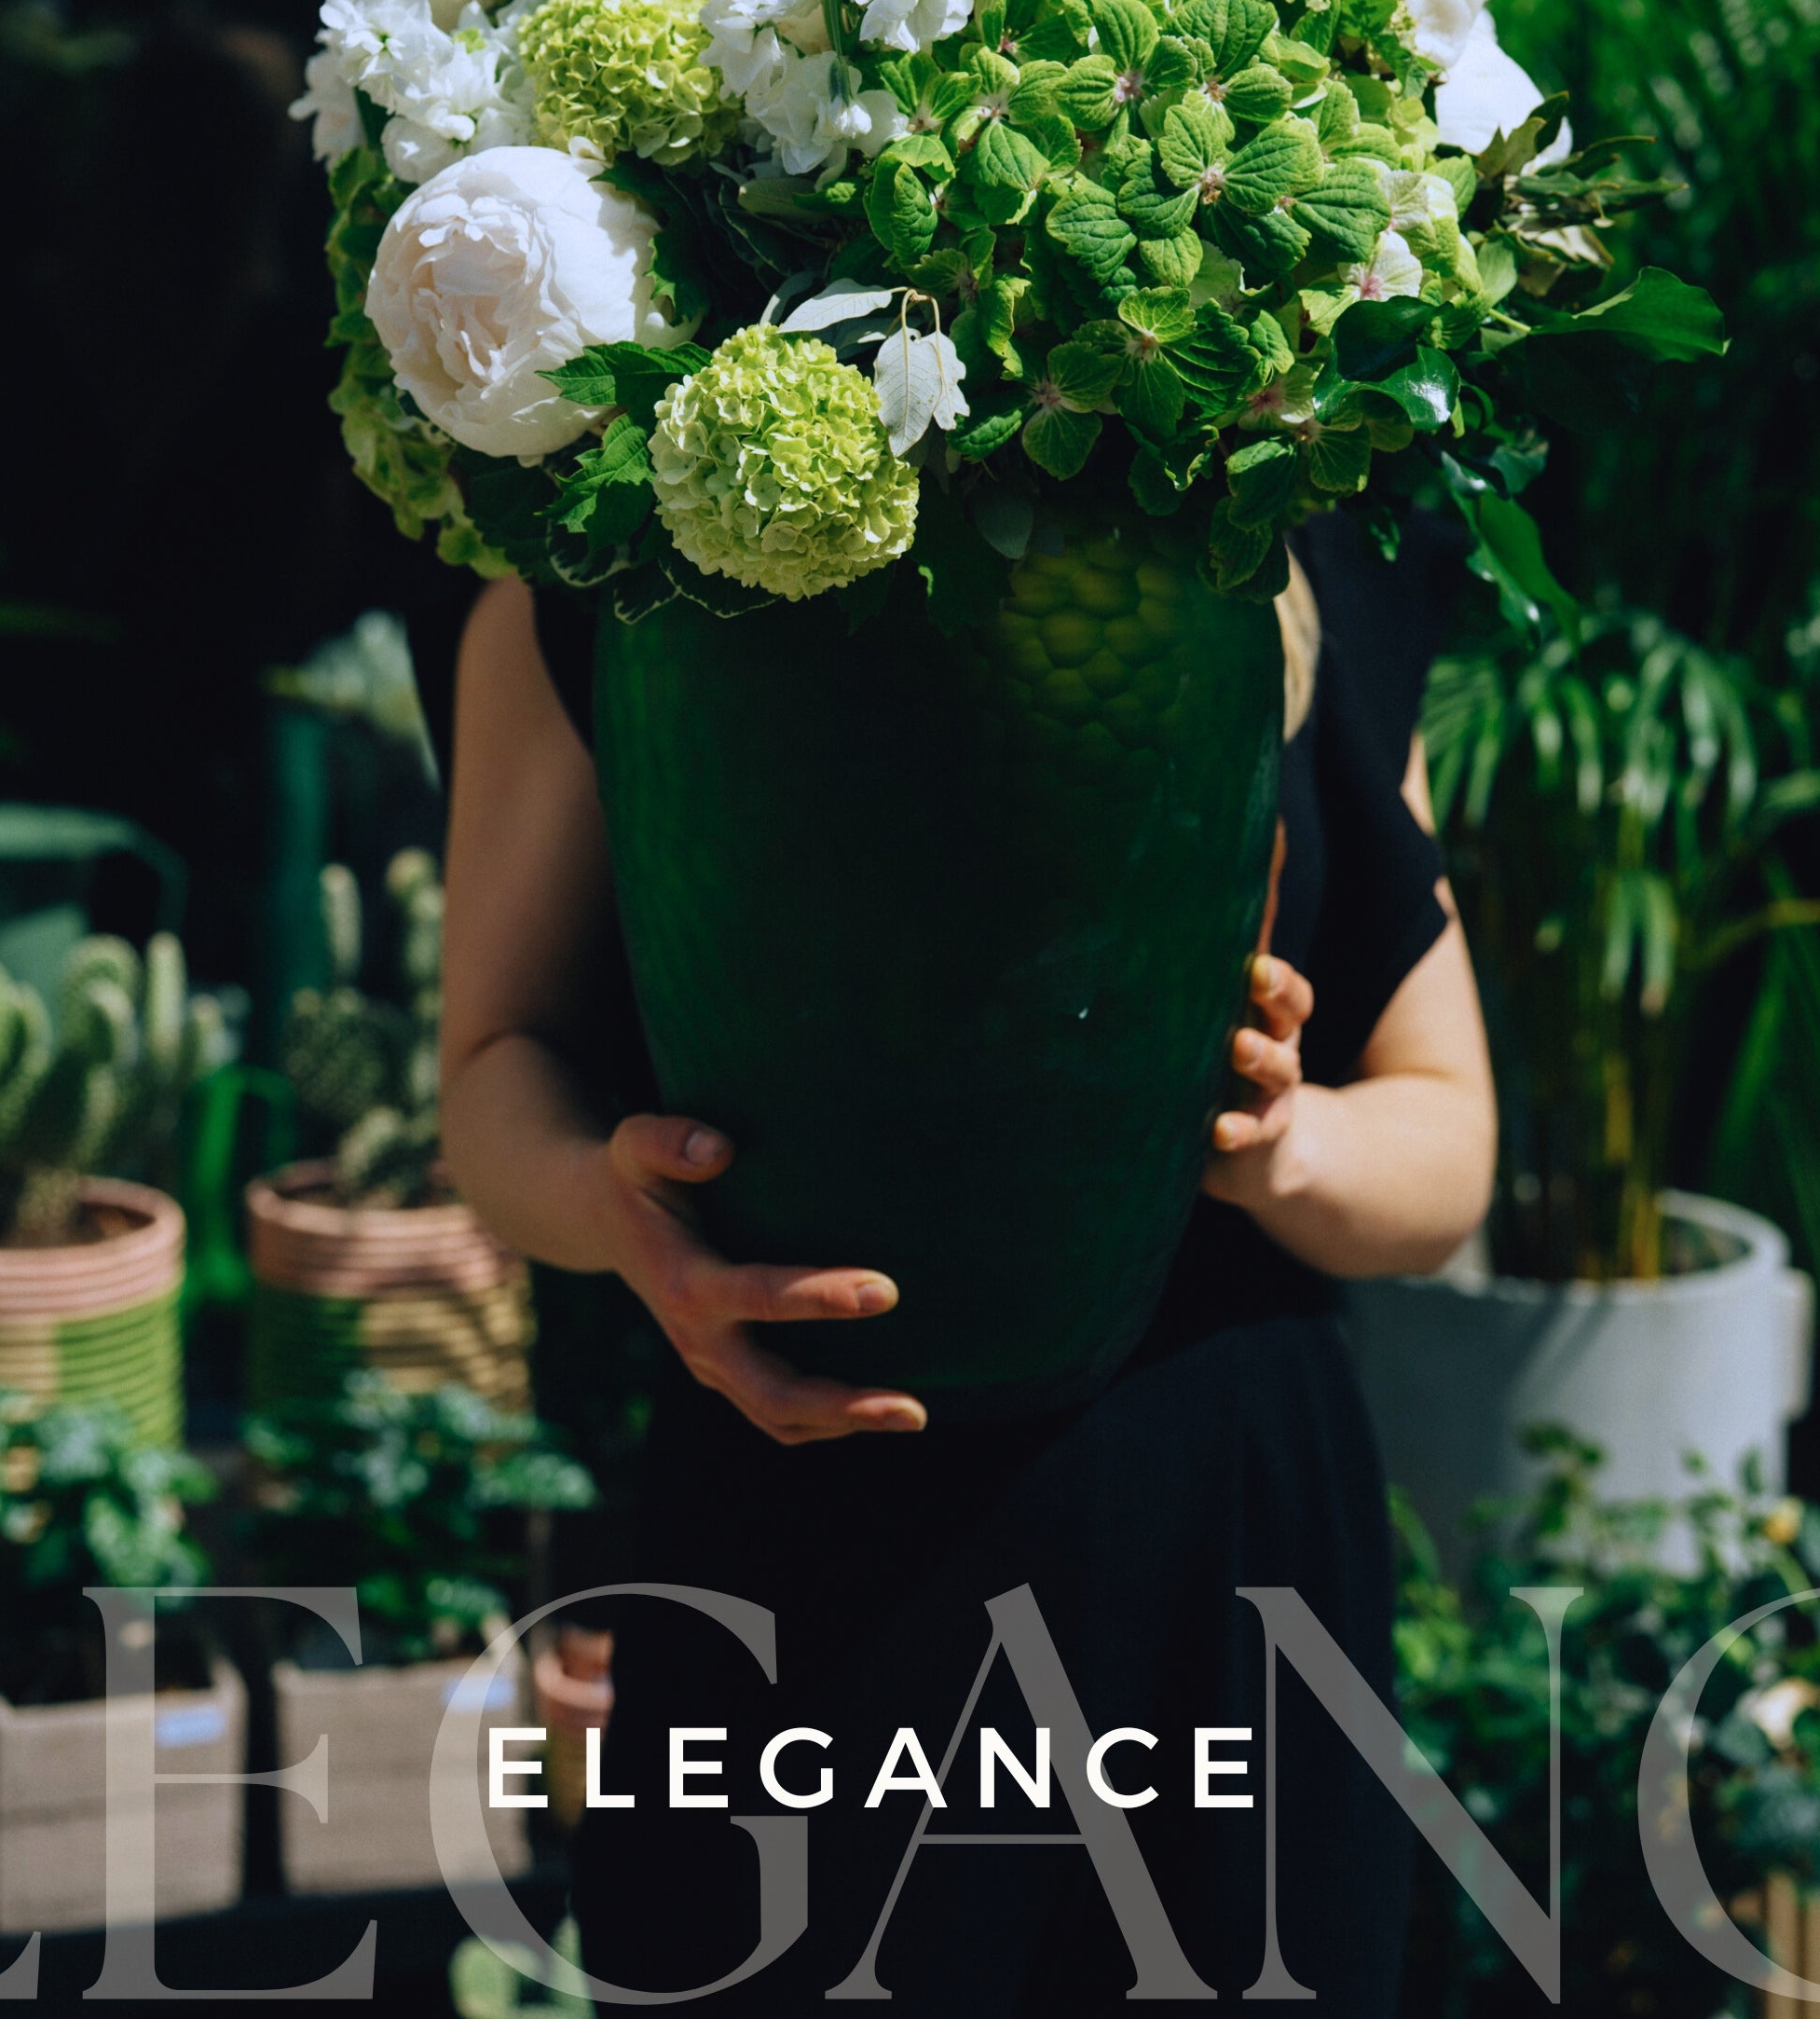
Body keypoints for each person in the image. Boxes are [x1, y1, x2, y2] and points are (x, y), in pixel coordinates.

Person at [439, 514, 1494, 2016]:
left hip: (1219, 1554)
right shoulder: (605, 559)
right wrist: (613, 1208)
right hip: (803, 1548)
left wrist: (1278, 1143)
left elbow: (1447, 1144)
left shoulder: (1299, 546)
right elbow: (495, 1063)